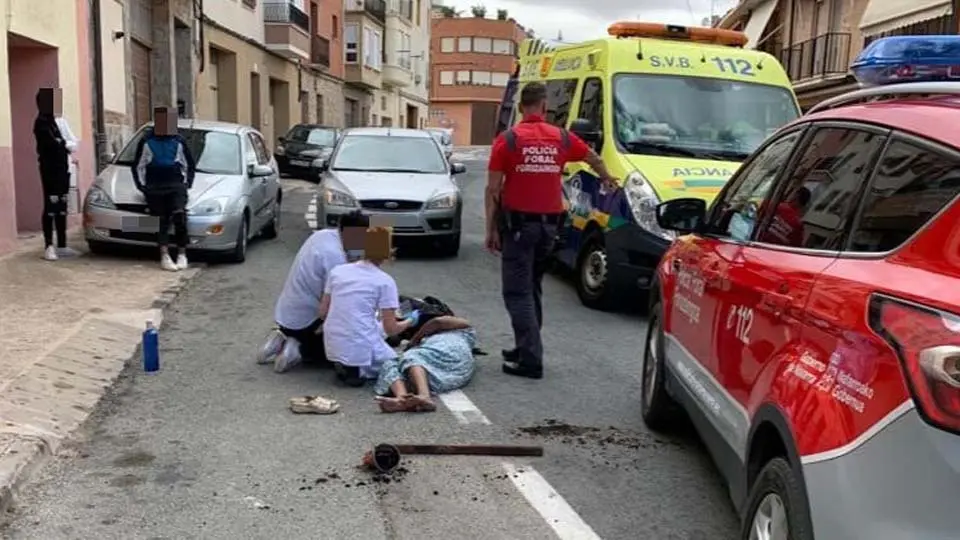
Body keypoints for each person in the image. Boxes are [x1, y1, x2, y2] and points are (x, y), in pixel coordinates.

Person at [485, 82, 618, 379]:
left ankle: (531, 359)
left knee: (516, 293)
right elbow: (593, 157)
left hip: (518, 226)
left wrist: (490, 229)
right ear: (544, 107)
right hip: (549, 227)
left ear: (521, 108)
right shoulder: (561, 138)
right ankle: (524, 347)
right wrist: (607, 178)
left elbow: (493, 189)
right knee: (532, 287)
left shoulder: (507, 140)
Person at [258, 210, 370, 372]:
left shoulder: (322, 236)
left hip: (285, 315)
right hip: (305, 323)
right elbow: (338, 303)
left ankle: (279, 339)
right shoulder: (336, 259)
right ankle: (298, 350)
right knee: (343, 348)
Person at [319, 227, 416, 387]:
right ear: (388, 252)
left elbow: (323, 312)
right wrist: (409, 321)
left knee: (371, 325)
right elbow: (391, 329)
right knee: (397, 363)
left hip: (332, 343)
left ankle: (344, 363)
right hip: (359, 347)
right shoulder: (385, 281)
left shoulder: (337, 272)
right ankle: (358, 370)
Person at [131, 106, 196, 272]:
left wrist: (187, 183)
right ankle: (164, 255)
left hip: (175, 185)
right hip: (155, 186)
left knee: (179, 216)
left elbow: (189, 165)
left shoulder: (179, 141)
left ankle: (182, 254)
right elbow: (138, 166)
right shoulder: (147, 141)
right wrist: (143, 187)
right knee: (161, 221)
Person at [374, 315, 476, 413]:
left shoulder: (463, 329)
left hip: (449, 356)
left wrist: (414, 341)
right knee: (390, 364)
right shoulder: (429, 338)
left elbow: (437, 322)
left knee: (412, 357)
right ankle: (402, 400)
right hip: (434, 369)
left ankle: (424, 396)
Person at [34, 87, 78, 261]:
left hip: (63, 168)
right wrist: (64, 144)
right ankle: (48, 246)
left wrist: (64, 143)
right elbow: (53, 144)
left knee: (62, 205)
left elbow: (74, 144)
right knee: (51, 206)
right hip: (50, 169)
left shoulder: (58, 121)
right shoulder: (41, 122)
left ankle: (62, 244)